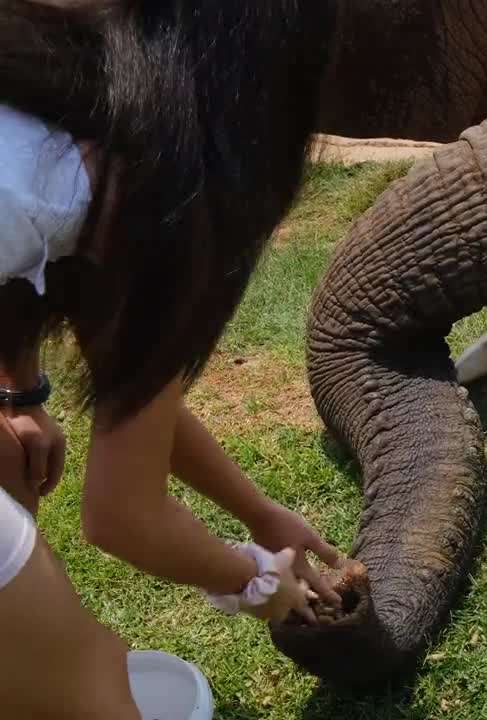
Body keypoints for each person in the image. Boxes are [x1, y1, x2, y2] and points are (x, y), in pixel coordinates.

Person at [1, 0, 341, 716]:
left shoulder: (62, 95)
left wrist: (259, 513)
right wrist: (257, 580)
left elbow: (133, 385)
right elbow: (124, 519)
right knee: (91, 681)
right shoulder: (155, 168)